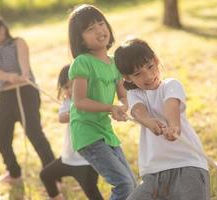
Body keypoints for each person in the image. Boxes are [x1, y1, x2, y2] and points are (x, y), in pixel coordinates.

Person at [114, 38, 210, 200]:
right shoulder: (134, 94)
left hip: (187, 164)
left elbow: (170, 105)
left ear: (156, 60)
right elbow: (138, 111)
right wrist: (149, 121)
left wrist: (173, 126)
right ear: (127, 78)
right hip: (154, 172)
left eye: (150, 66)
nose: (148, 76)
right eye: (138, 74)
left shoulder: (171, 85)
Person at [67, 4, 137, 200]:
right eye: (90, 29)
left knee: (131, 183)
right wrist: (110, 107)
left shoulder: (114, 62)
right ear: (80, 39)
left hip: (105, 131)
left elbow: (123, 93)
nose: (99, 30)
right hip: (87, 133)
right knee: (123, 183)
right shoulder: (82, 62)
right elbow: (79, 101)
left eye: (100, 23)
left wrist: (124, 106)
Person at [0, 11, 55, 183]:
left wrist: (23, 74)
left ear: (2, 29)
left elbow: (24, 66)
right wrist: (8, 76)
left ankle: (53, 174)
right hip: (6, 96)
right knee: (1, 135)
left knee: (34, 132)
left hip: (26, 92)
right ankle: (14, 173)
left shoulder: (18, 43)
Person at [40, 65, 103, 200]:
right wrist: (75, 110)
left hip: (86, 161)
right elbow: (62, 118)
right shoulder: (68, 102)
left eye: (73, 86)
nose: (70, 90)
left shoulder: (91, 101)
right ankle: (56, 197)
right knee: (45, 175)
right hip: (67, 158)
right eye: (66, 87)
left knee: (92, 193)